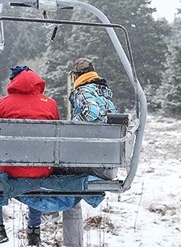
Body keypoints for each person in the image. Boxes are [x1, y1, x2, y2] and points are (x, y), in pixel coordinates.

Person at [0, 65, 59, 247]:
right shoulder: (50, 103)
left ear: (14, 82)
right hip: (43, 168)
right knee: (36, 175)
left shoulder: (3, 103)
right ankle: (34, 231)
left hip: (10, 168)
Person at [61, 57, 117, 247]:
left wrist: (73, 126)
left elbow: (91, 113)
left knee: (61, 180)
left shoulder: (82, 91)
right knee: (72, 192)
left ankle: (44, 213)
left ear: (75, 75)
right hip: (108, 162)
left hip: (90, 161)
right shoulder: (104, 93)